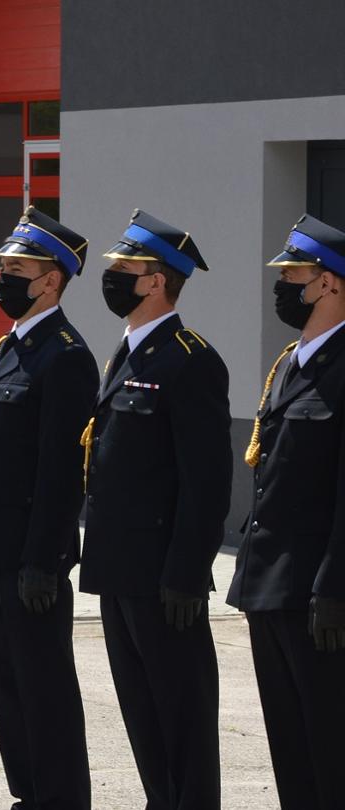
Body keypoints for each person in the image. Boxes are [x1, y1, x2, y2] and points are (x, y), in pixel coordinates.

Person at [0, 203, 98, 810]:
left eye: (18, 268)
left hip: (29, 556)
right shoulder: (11, 346)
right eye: (4, 266)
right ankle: (28, 793)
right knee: (7, 683)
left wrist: (45, 557)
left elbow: (61, 471)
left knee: (44, 686)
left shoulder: (64, 355)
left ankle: (60, 798)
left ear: (52, 280)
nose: (3, 277)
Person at [81, 208, 230, 810]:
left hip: (164, 576)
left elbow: (206, 482)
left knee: (182, 712)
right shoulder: (127, 353)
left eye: (125, 268)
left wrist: (188, 574)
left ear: (157, 281)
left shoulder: (190, 359)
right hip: (120, 568)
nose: (112, 276)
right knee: (141, 708)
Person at [229, 213, 345, 809]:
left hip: (318, 594)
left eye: (294, 274)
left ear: (329, 283)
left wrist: (335, 585)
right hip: (269, 584)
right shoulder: (291, 362)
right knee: (287, 740)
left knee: (330, 742)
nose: (283, 286)